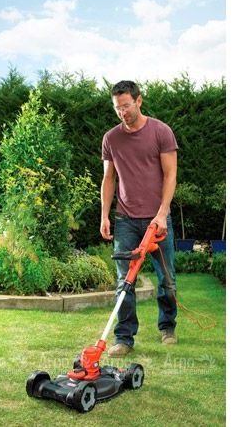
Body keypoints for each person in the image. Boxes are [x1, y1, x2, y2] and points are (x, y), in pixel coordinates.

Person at [100, 80, 179, 358]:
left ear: (139, 101)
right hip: (126, 220)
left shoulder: (161, 131)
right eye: (117, 108)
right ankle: (124, 338)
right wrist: (105, 215)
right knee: (125, 281)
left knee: (167, 279)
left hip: (158, 221)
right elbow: (108, 178)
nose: (122, 112)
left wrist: (162, 213)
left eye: (126, 106)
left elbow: (170, 174)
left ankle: (167, 327)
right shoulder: (111, 138)